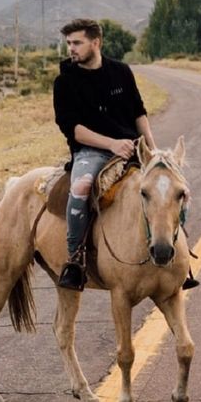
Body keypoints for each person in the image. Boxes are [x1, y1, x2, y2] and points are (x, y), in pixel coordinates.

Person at [52, 17, 156, 291]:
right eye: (69, 43)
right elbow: (72, 128)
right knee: (81, 186)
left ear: (95, 42)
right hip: (91, 151)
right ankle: (75, 261)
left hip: (133, 147)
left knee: (169, 184)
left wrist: (152, 150)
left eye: (77, 43)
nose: (71, 49)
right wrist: (111, 144)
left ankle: (178, 256)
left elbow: (138, 112)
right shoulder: (65, 81)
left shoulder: (121, 71)